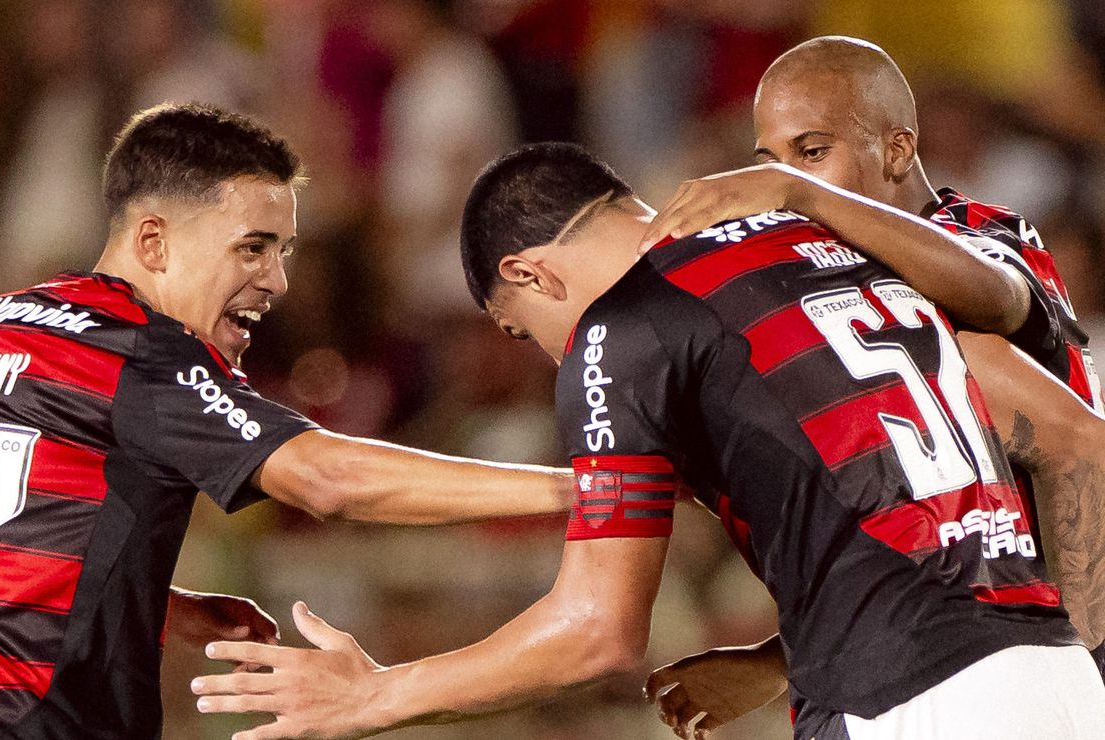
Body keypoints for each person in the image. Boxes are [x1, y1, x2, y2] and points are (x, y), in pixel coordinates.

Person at [190, 142, 1105, 740]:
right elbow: (1049, 446)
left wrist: (376, 694)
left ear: (528, 272)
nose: (549, 355)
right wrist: (781, 659)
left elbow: (598, 633)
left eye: (522, 329)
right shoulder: (821, 241)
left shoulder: (620, 330)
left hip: (908, 706)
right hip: (1058, 680)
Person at [0, 103, 573, 739]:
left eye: (283, 250)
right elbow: (328, 479)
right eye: (252, 248)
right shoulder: (137, 350)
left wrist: (153, 602)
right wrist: (581, 489)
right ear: (154, 242)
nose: (277, 280)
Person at [634, 36, 1105, 736]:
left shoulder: (978, 232)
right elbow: (940, 533)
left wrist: (1086, 660)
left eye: (814, 150)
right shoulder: (842, 287)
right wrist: (777, 661)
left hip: (1052, 644)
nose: (787, 181)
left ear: (895, 149)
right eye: (773, 161)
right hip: (970, 656)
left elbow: (1005, 304)